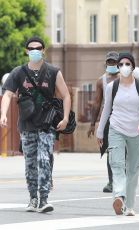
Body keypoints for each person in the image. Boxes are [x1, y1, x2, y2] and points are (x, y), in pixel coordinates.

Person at [0, 36, 71, 213]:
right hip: (27, 124)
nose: (35, 51)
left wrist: (66, 118)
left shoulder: (53, 71)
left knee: (44, 158)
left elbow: (66, 95)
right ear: (26, 51)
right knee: (30, 163)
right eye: (31, 48)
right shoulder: (18, 72)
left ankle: (43, 199)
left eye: (38, 48)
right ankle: (33, 198)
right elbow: (8, 94)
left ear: (43, 50)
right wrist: (3, 114)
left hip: (47, 124)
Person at [96, 52, 139, 216]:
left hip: (136, 131)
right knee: (117, 164)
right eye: (121, 64)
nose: (124, 67)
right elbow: (106, 110)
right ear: (118, 68)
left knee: (133, 169)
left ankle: (130, 206)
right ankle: (119, 195)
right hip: (116, 129)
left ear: (133, 67)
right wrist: (100, 132)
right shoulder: (113, 87)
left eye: (128, 64)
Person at [87, 51, 120, 193]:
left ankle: (123, 179)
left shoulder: (126, 78)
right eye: (109, 62)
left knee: (123, 152)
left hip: (124, 118)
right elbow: (97, 103)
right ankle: (112, 181)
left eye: (114, 62)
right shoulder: (102, 81)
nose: (111, 64)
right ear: (106, 63)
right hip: (108, 120)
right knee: (110, 151)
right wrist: (92, 124)